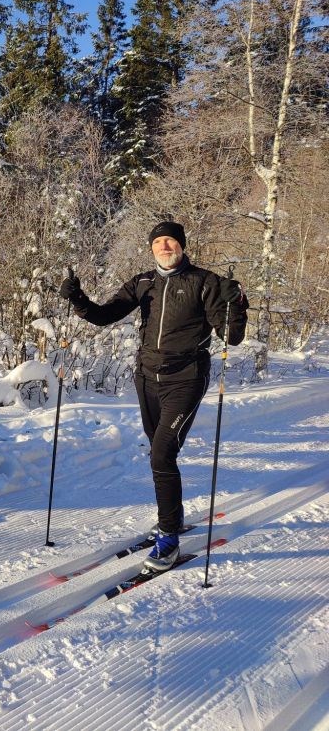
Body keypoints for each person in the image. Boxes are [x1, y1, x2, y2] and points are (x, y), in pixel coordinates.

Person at [59, 220, 248, 571]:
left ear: (182, 245)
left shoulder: (205, 283)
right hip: (146, 378)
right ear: (151, 248)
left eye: (170, 241)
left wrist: (235, 303)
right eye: (158, 242)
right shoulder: (143, 282)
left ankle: (169, 538)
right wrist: (77, 298)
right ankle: (171, 517)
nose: (164, 246)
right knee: (159, 453)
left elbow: (231, 336)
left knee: (162, 454)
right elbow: (104, 315)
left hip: (186, 379)